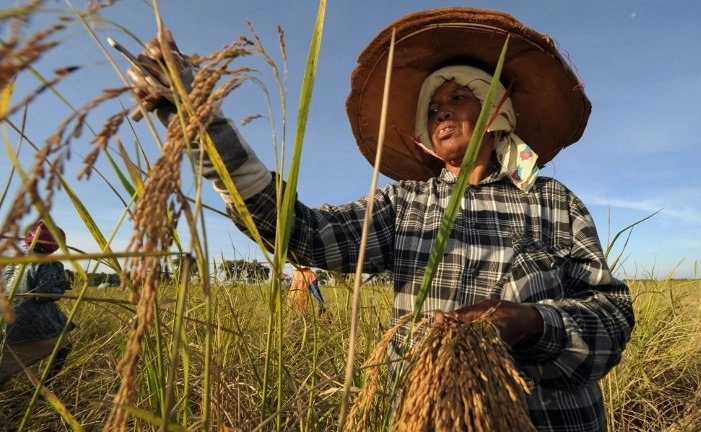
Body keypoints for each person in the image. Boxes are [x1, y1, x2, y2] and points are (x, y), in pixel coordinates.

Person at [127, 7, 634, 431]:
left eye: (458, 96)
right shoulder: (404, 206)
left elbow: (611, 318)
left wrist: (529, 323)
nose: (441, 111)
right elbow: (303, 232)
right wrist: (204, 126)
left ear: (497, 111)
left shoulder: (553, 202)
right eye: (432, 106)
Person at [1, 221, 73, 388]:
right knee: (64, 346)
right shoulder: (49, 263)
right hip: (28, 323)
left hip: (5, 318)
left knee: (6, 361)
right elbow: (46, 293)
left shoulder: (12, 259)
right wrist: (61, 286)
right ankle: (41, 389)